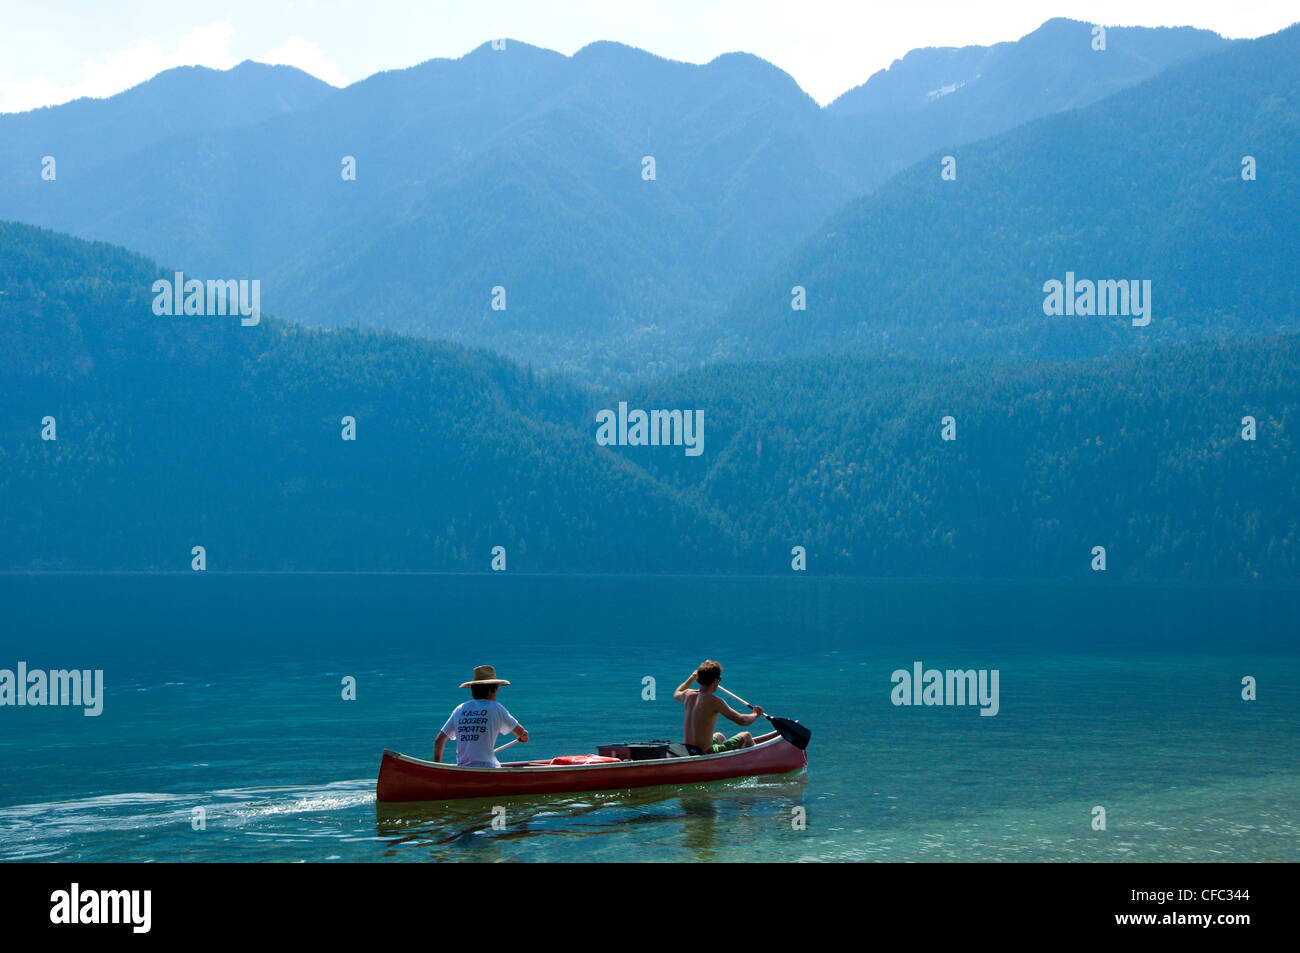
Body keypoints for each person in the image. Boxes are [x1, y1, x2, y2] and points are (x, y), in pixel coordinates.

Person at [433, 665, 528, 767]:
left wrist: (437, 768)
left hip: (463, 768)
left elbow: (439, 741)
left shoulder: (459, 709)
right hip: (489, 768)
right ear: (493, 690)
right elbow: (521, 733)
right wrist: (523, 736)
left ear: (473, 690)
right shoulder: (497, 708)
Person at [673, 660, 765, 755]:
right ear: (716, 680)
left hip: (689, 749)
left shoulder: (688, 694)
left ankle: (728, 761)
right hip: (705, 752)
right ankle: (759, 761)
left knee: (719, 736)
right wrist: (755, 714)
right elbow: (742, 720)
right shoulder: (715, 701)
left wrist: (691, 678)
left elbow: (677, 693)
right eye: (719, 679)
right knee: (746, 736)